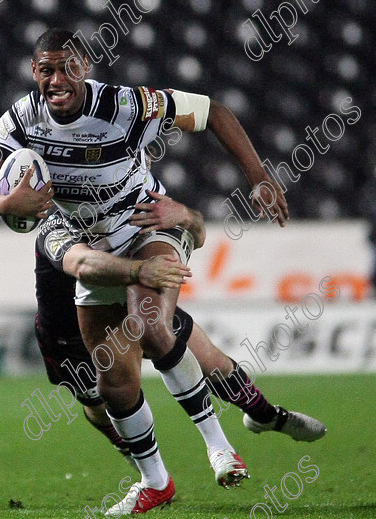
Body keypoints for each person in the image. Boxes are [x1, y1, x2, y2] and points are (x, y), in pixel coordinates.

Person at [0, 29, 289, 514]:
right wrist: (5, 202)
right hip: (82, 244)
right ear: (34, 72)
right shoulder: (20, 119)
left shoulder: (127, 105)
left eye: (67, 66)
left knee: (151, 323)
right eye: (46, 69)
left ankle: (220, 446)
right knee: (104, 380)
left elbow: (213, 111)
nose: (57, 79)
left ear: (86, 65)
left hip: (143, 224)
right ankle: (155, 479)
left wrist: (258, 176)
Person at [33, 201, 326, 469]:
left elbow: (197, 236)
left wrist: (187, 215)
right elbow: (82, 264)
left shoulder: (137, 201)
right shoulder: (57, 225)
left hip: (134, 306)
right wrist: (141, 269)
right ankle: (136, 457)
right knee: (101, 405)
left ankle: (265, 415)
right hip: (69, 336)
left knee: (212, 362)